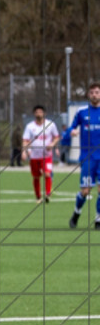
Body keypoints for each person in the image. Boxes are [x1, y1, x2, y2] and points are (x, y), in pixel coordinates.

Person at [64, 82, 100, 229]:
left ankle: (98, 220)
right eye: (92, 92)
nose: (94, 95)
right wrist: (71, 132)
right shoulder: (82, 112)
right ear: (88, 95)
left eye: (97, 92)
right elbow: (70, 128)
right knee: (85, 191)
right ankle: (76, 214)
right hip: (88, 157)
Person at [21, 105, 60, 204]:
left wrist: (52, 144)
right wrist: (24, 151)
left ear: (44, 113)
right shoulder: (30, 126)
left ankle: (47, 194)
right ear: (34, 114)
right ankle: (38, 197)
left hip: (47, 155)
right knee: (36, 176)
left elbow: (56, 137)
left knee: (47, 173)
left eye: (40, 112)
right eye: (37, 112)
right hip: (34, 156)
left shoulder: (50, 125)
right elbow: (25, 140)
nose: (39, 114)